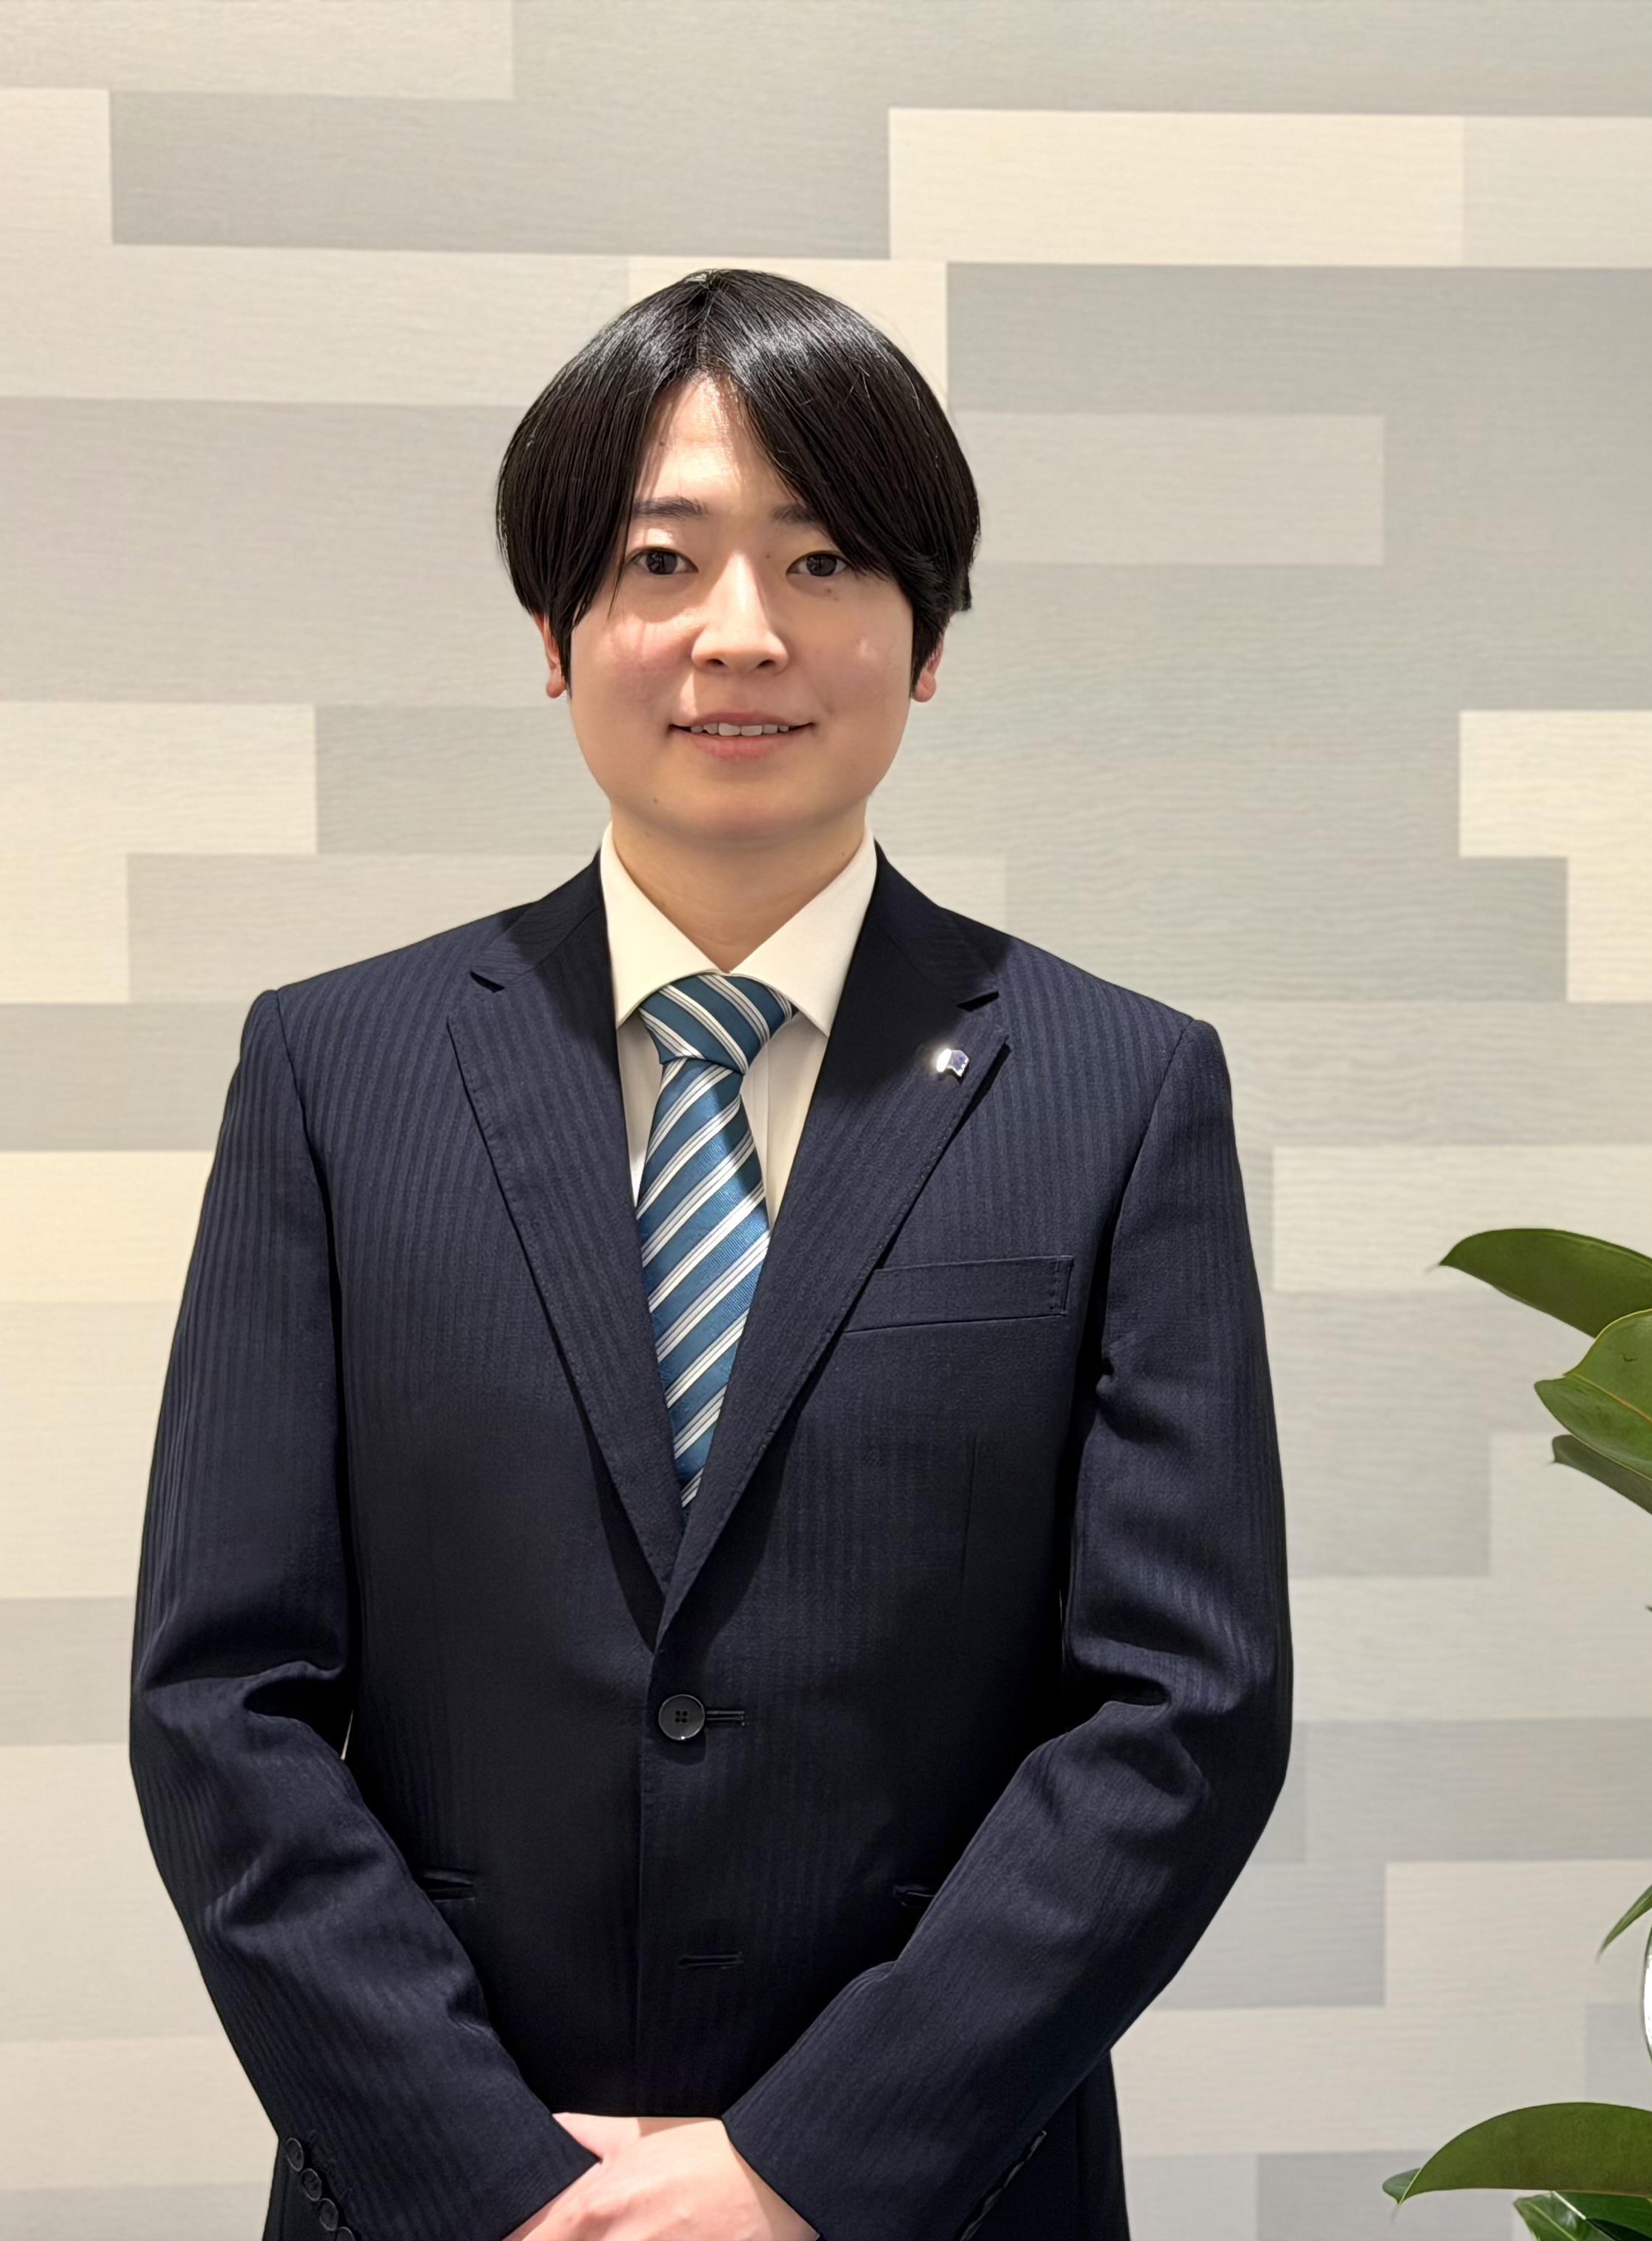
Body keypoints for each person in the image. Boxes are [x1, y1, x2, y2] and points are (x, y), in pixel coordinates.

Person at [128, 268, 1294, 2241]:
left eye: (825, 559)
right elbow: (220, 1695)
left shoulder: (1117, 1087)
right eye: (661, 561)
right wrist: (485, 2177)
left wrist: (804, 2167)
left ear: (928, 637)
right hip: (445, 2193)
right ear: (553, 627)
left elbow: (1185, 1711)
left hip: (940, 2194)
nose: (741, 632)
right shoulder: (336, 1071)